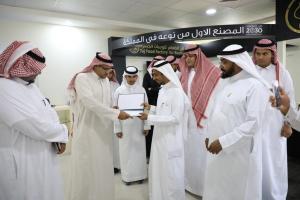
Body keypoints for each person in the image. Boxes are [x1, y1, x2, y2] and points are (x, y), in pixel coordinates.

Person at [0, 41, 68, 200]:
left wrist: (58, 136)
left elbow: (50, 113)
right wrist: (62, 132)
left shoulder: (32, 87)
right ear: (19, 65)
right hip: (21, 158)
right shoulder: (3, 87)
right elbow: (31, 124)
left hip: (44, 155)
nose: (39, 74)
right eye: (34, 69)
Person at [203, 44, 270, 200]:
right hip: (216, 148)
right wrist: (208, 135)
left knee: (237, 190)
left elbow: (252, 124)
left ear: (237, 63)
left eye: (225, 62)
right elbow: (214, 113)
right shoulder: (224, 84)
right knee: (216, 188)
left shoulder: (255, 86)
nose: (221, 66)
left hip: (239, 153)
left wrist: (224, 142)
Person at [67, 52, 130, 200]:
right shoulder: (82, 78)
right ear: (95, 65)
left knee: (102, 167)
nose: (108, 73)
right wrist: (116, 114)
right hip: (87, 131)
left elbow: (106, 104)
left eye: (110, 70)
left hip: (104, 132)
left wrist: (119, 110)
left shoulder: (106, 81)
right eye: (105, 69)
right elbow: (90, 103)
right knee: (86, 167)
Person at [139, 60, 191, 200]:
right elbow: (164, 111)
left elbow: (175, 118)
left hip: (171, 140)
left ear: (165, 73)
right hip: (159, 139)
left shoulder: (177, 93)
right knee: (159, 171)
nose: (154, 78)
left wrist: (149, 118)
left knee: (171, 175)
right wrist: (151, 108)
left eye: (156, 75)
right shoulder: (163, 90)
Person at [253, 39, 296, 200]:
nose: (261, 57)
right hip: (254, 125)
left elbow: (288, 100)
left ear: (272, 54)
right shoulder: (250, 72)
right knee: (256, 162)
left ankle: (274, 195)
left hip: (275, 125)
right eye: (258, 53)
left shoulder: (281, 73)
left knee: (273, 162)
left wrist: (288, 124)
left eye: (265, 53)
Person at [179, 44, 221, 197]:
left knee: (202, 155)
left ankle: (202, 188)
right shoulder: (183, 73)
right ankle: (188, 184)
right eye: (186, 56)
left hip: (205, 121)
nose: (188, 59)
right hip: (187, 120)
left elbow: (216, 99)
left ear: (198, 56)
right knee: (189, 153)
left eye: (191, 56)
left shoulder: (213, 73)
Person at [113, 66, 150, 185]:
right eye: (129, 76)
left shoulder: (142, 89)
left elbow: (146, 108)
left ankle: (140, 176)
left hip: (138, 125)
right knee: (126, 152)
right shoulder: (119, 90)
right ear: (125, 76)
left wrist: (146, 126)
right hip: (125, 127)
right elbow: (115, 111)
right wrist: (117, 128)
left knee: (139, 152)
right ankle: (127, 177)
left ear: (137, 77)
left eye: (134, 76)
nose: (131, 79)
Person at [142, 55, 165, 159]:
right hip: (150, 104)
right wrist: (156, 89)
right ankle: (148, 153)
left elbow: (154, 89)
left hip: (161, 105)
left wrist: (154, 89)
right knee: (150, 131)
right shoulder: (148, 75)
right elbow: (146, 90)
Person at [108, 68, 121, 173]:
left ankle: (116, 164)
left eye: (112, 72)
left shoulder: (116, 85)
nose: (109, 74)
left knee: (115, 143)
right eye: (108, 72)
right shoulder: (100, 84)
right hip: (104, 117)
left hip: (115, 117)